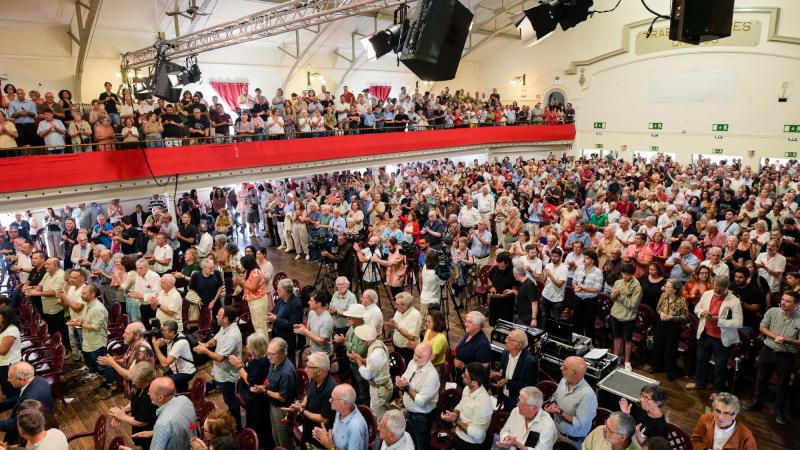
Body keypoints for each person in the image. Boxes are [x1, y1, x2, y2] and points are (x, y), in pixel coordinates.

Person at [744, 289, 800, 425]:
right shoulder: (772, 311)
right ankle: (758, 402)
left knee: (782, 384)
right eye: (783, 299)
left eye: (788, 301)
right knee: (761, 378)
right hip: (768, 350)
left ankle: (779, 409)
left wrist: (786, 340)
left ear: (796, 304)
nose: (783, 302)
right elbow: (762, 327)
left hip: (786, 355)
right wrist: (776, 337)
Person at [686, 276, 743, 393]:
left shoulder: (734, 301)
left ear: (726, 287)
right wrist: (702, 312)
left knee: (720, 366)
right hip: (705, 333)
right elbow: (697, 308)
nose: (716, 291)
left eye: (719, 289)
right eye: (715, 288)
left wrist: (719, 321)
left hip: (721, 338)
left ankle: (717, 391)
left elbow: (738, 323)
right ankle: (699, 383)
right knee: (701, 360)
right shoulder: (708, 294)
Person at [194, 306, 243, 428]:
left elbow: (220, 358)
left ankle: (237, 425)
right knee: (226, 396)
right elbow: (215, 339)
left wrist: (205, 351)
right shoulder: (225, 326)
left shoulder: (232, 335)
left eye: (219, 315)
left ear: (225, 319)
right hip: (221, 371)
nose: (216, 316)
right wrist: (206, 344)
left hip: (227, 374)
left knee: (230, 400)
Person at [281, 352, 336, 450]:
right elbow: (309, 393)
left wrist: (301, 410)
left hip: (319, 440)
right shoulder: (315, 379)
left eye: (309, 367)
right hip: (309, 430)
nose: (305, 369)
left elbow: (324, 420)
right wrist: (302, 404)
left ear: (319, 371)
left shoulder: (330, 390)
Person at [70, 284, 116, 395]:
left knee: (104, 365)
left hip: (97, 341)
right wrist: (78, 322)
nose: (81, 295)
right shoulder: (87, 304)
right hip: (89, 339)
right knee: (97, 365)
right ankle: (105, 381)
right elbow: (86, 319)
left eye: (84, 293)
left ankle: (113, 386)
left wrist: (80, 325)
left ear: (93, 294)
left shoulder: (97, 308)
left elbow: (95, 327)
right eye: (82, 292)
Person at [228, 332, 271, 448]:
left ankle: (257, 443)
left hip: (258, 400)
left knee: (258, 423)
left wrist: (238, 366)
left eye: (248, 345)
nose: (246, 347)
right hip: (255, 398)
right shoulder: (259, 358)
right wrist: (243, 366)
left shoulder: (262, 362)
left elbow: (250, 380)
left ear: (255, 347)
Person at [543, 356, 597, 448]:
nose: (561, 368)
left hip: (571, 441)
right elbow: (555, 396)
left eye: (565, 368)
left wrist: (560, 412)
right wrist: (553, 404)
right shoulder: (564, 380)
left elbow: (579, 423)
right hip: (556, 431)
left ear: (575, 373)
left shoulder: (587, 396)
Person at [394, 342, 439, 450]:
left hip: (421, 418)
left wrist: (406, 387)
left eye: (419, 356)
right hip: (409, 412)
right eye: (415, 353)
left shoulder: (431, 376)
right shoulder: (412, 363)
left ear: (429, 358)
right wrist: (400, 381)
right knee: (411, 440)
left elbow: (421, 401)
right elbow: (406, 376)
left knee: (421, 445)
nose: (415, 358)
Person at [440, 362, 493, 450]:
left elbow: (477, 434)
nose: (462, 376)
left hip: (470, 443)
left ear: (475, 382)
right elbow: (461, 404)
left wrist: (455, 420)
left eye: (465, 376)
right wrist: (455, 414)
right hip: (459, 434)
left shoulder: (483, 404)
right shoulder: (467, 388)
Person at [0, 362, 54, 445]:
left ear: (21, 380)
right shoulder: (39, 380)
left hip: (31, 437)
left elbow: (16, 425)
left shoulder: (31, 398)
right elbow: (20, 398)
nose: (8, 380)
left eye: (10, 377)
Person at [108, 362, 159, 449]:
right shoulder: (140, 385)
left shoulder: (151, 396)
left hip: (149, 431)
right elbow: (135, 401)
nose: (133, 383)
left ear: (148, 380)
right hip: (139, 422)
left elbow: (142, 422)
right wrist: (123, 411)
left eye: (136, 381)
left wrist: (123, 417)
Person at [98, 322, 155, 397]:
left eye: (127, 333)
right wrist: (114, 361)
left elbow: (130, 376)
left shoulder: (142, 352)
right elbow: (127, 361)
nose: (123, 335)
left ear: (137, 336)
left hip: (139, 392)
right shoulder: (133, 343)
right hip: (132, 387)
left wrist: (112, 363)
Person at [350, 324, 392, 422]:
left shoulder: (375, 355)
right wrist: (361, 359)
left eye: (361, 339)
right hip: (385, 385)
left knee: (377, 417)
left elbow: (366, 375)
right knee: (384, 410)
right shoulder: (379, 343)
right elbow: (373, 364)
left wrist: (358, 360)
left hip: (379, 390)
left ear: (366, 340)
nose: (360, 341)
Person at [650, 279, 688, 381]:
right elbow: (658, 308)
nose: (665, 288)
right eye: (665, 286)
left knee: (670, 349)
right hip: (661, 323)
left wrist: (672, 317)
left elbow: (685, 316)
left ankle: (671, 372)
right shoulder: (663, 295)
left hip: (673, 326)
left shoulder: (682, 300)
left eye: (668, 287)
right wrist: (661, 313)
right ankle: (656, 366)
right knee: (658, 345)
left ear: (674, 290)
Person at [490, 329, 537, 411]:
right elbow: (501, 370)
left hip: (517, 402)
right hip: (503, 396)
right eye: (507, 337)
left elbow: (529, 386)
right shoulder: (505, 353)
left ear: (519, 345)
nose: (505, 341)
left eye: (509, 339)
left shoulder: (529, 362)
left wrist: (508, 382)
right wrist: (497, 375)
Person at [145, 377, 198, 450]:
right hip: (193, 445)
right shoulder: (184, 399)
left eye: (150, 392)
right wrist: (156, 433)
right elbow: (191, 425)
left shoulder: (162, 424)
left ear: (160, 398)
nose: (148, 394)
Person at [311, 384, 369, 450]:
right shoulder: (340, 411)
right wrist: (327, 436)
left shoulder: (355, 429)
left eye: (333, 399)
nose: (330, 400)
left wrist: (330, 446)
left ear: (344, 403)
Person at [690, 393, 757, 450]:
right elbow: (694, 440)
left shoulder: (746, 436)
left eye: (726, 413)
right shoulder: (705, 418)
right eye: (718, 411)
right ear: (713, 410)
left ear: (734, 415)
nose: (720, 417)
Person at [610, 263, 643, 371]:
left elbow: (632, 304)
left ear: (632, 274)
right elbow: (612, 298)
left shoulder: (637, 287)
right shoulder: (617, 282)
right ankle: (616, 358)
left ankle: (627, 361)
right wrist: (614, 295)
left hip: (628, 317)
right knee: (616, 338)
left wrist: (620, 296)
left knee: (627, 340)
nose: (625, 276)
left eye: (627, 274)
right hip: (615, 314)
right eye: (623, 273)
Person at [152, 319, 196, 393]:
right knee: (180, 389)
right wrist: (157, 340)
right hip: (177, 368)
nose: (162, 332)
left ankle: (184, 394)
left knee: (167, 382)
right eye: (162, 330)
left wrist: (156, 347)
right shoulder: (174, 334)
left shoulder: (180, 343)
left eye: (164, 331)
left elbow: (164, 364)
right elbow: (162, 342)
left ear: (172, 332)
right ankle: (184, 393)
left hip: (186, 371)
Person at [267, 278, 303, 363]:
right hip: (277, 334)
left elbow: (292, 324)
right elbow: (275, 311)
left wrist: (276, 319)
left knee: (288, 360)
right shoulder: (280, 299)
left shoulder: (296, 304)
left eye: (279, 290)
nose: (277, 291)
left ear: (285, 291)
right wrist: (270, 316)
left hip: (288, 339)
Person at [572, 249, 604, 340]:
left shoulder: (598, 272)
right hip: (578, 298)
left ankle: (588, 344)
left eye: (587, 258)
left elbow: (597, 289)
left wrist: (582, 288)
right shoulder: (579, 268)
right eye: (584, 257)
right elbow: (574, 282)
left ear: (593, 260)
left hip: (590, 301)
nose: (584, 259)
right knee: (577, 322)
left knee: (589, 324)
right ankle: (576, 342)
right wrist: (575, 287)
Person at [385, 291, 423, 364]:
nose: (396, 307)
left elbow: (411, 337)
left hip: (407, 350)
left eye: (398, 305)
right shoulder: (399, 311)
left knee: (406, 367)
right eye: (396, 304)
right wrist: (391, 324)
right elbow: (396, 324)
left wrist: (397, 327)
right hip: (397, 347)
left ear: (406, 306)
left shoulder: (415, 315)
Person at [294, 288, 334, 356]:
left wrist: (306, 332)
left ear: (319, 304)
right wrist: (302, 328)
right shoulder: (312, 313)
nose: (308, 302)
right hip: (313, 351)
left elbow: (322, 342)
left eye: (311, 301)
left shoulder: (327, 320)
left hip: (323, 355)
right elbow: (309, 330)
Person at [237, 254, 269, 337]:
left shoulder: (256, 272)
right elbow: (246, 286)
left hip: (258, 301)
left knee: (260, 326)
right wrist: (240, 283)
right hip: (252, 300)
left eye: (243, 264)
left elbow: (253, 288)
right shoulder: (248, 271)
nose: (242, 266)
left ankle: (263, 344)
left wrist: (242, 282)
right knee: (256, 324)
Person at [454, 311, 491, 381]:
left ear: (478, 325)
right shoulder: (469, 334)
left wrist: (464, 367)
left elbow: (483, 368)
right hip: (460, 377)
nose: (465, 324)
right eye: (466, 321)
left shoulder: (483, 344)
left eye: (469, 322)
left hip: (471, 382)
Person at [540, 247, 568, 330]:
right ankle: (543, 333)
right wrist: (543, 275)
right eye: (552, 256)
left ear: (560, 257)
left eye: (555, 256)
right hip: (546, 295)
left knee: (556, 320)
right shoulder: (548, 265)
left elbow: (559, 284)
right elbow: (542, 281)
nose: (553, 258)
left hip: (557, 299)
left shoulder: (564, 268)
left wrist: (550, 275)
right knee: (544, 317)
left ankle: (554, 335)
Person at [0, 307, 22, 399]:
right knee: (7, 389)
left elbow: (3, 351)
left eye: (1, 319)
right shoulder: (4, 327)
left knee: (13, 391)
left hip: (10, 365)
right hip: (3, 363)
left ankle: (17, 405)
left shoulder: (12, 330)